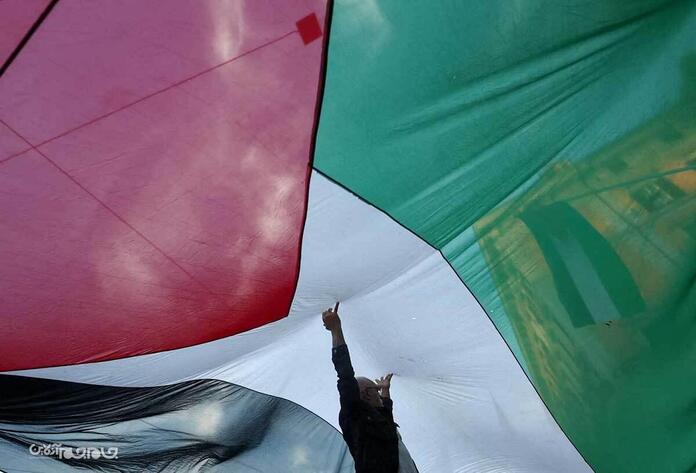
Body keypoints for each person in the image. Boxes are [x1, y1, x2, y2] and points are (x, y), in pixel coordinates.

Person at [322, 306, 400, 473]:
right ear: (366, 394)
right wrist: (336, 329)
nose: (379, 394)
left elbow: (386, 411)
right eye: (376, 390)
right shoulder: (354, 415)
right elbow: (345, 375)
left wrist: (385, 390)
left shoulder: (381, 419)